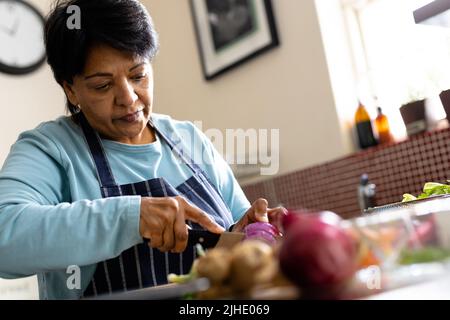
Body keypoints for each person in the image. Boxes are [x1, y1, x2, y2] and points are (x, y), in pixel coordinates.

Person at [0, 0, 286, 300]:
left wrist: (251, 234)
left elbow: (239, 237)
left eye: (138, 75)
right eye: (102, 86)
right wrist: (130, 218)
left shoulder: (189, 138)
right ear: (70, 89)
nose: (128, 98)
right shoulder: (51, 148)